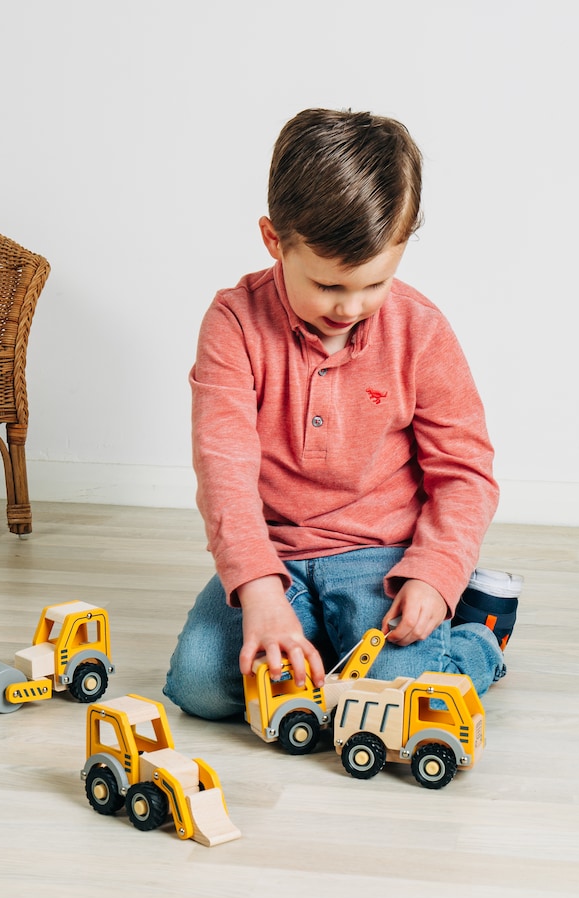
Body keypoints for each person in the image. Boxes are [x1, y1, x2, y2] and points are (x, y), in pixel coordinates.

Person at [164, 107, 508, 721]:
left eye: (373, 285)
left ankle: (479, 637)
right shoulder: (233, 324)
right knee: (202, 685)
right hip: (274, 555)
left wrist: (434, 572)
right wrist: (261, 590)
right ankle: (323, 642)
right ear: (274, 241)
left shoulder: (421, 331)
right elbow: (224, 470)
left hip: (383, 558)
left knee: (407, 697)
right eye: (327, 286)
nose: (350, 307)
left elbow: (465, 470)